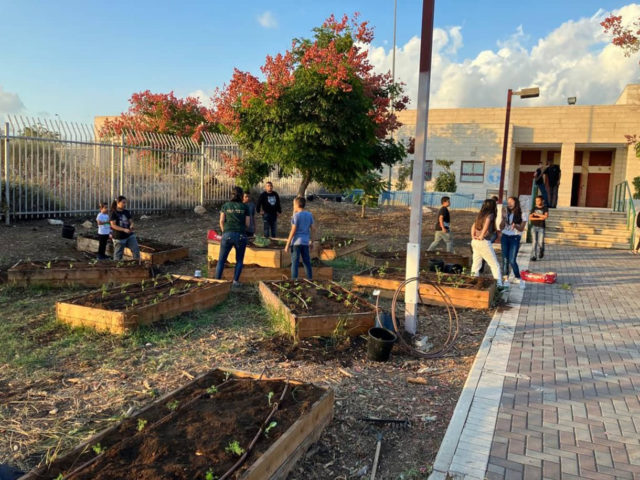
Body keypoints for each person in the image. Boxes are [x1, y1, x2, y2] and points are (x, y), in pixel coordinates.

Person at [215, 186, 250, 285]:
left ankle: (216, 282)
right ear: (241, 195)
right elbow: (248, 224)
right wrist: (241, 229)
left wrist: (224, 232)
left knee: (221, 260)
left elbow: (221, 221)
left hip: (227, 234)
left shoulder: (225, 206)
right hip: (240, 235)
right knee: (239, 260)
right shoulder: (244, 207)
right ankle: (235, 282)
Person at [471, 198, 504, 287]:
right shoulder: (491, 214)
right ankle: (499, 285)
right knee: (494, 265)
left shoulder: (480, 214)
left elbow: (473, 225)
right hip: (483, 242)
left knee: (476, 264)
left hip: (475, 241)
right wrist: (482, 235)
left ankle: (473, 282)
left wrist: (473, 235)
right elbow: (487, 224)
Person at [284, 197, 316, 279]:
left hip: (296, 243)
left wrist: (287, 244)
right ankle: (310, 279)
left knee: (295, 263)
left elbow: (293, 230)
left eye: (294, 204)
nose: (293, 206)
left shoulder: (296, 216)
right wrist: (312, 241)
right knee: (306, 262)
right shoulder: (309, 215)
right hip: (305, 242)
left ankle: (294, 281)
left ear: (297, 205)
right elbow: (313, 229)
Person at [500, 197, 526, 283]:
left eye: (511, 201)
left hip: (515, 237)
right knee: (505, 259)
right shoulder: (505, 212)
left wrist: (515, 226)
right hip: (505, 237)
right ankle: (505, 279)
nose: (509, 203)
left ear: (516, 202)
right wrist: (503, 219)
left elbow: (522, 229)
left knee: (512, 260)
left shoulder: (522, 214)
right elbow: (501, 227)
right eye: (508, 202)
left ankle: (517, 277)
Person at [109, 196, 140, 261]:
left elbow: (131, 221)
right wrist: (124, 229)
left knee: (136, 250)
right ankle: (117, 268)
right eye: (123, 202)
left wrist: (131, 225)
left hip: (129, 235)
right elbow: (113, 225)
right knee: (118, 255)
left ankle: (137, 265)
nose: (125, 204)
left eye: (125, 203)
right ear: (118, 202)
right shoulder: (113, 213)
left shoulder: (126, 212)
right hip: (119, 237)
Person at [529, 195, 549, 261]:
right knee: (534, 242)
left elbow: (546, 217)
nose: (537, 202)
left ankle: (541, 250)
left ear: (542, 201)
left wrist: (537, 215)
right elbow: (530, 218)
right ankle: (534, 256)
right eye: (536, 201)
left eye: (538, 201)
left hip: (541, 227)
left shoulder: (545, 208)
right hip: (534, 227)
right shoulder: (534, 208)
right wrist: (541, 217)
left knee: (540, 242)